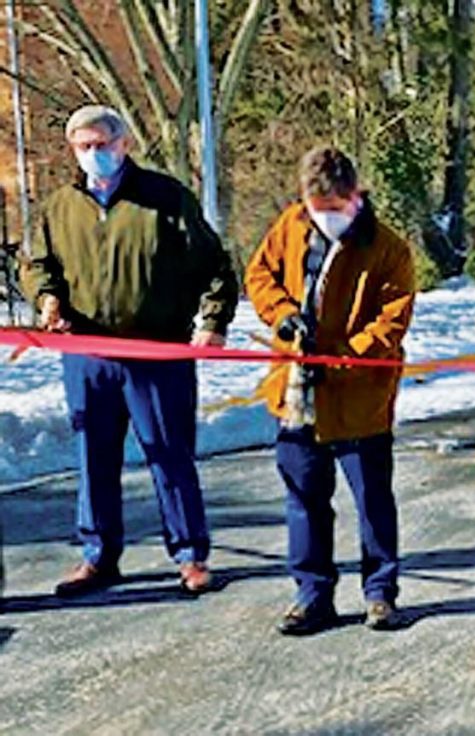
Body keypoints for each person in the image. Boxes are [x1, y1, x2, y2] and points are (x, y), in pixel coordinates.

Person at [21, 104, 238, 596]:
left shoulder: (165, 199)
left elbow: (216, 265)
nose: (94, 154)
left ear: (124, 145)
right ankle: (98, 556)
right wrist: (47, 296)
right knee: (94, 455)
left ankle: (190, 555)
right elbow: (36, 265)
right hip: (88, 354)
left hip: (156, 352)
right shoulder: (60, 206)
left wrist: (214, 322)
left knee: (169, 454)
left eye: (102, 144)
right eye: (84, 147)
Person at [245, 146, 415, 636]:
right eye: (318, 209)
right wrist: (281, 315)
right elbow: (260, 276)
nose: (326, 218)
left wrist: (343, 356)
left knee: (372, 499)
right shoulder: (291, 226)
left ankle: (380, 592)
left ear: (355, 197)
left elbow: (392, 319)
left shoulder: (387, 247)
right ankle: (312, 593)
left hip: (359, 395)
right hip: (298, 393)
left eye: (336, 209)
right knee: (303, 497)